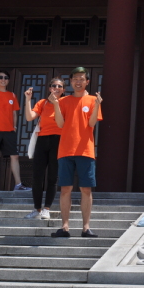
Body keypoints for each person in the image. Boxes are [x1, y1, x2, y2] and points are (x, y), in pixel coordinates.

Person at [48, 67, 103, 238]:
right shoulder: (64, 101)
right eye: (75, 79)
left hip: (85, 150)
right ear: (70, 82)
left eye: (81, 79)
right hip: (66, 150)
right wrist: (56, 104)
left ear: (87, 81)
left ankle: (86, 227)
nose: (78, 82)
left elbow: (92, 123)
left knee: (86, 189)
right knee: (65, 189)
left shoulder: (93, 100)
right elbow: (60, 124)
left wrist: (97, 105)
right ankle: (65, 227)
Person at [23, 77, 65, 220]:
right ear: (49, 88)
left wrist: (56, 103)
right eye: (54, 85)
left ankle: (47, 209)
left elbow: (63, 123)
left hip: (58, 140)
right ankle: (37, 209)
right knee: (37, 176)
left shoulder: (65, 102)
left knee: (53, 177)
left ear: (63, 90)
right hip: (42, 140)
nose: (56, 88)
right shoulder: (43, 103)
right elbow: (29, 117)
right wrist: (28, 100)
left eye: (59, 86)